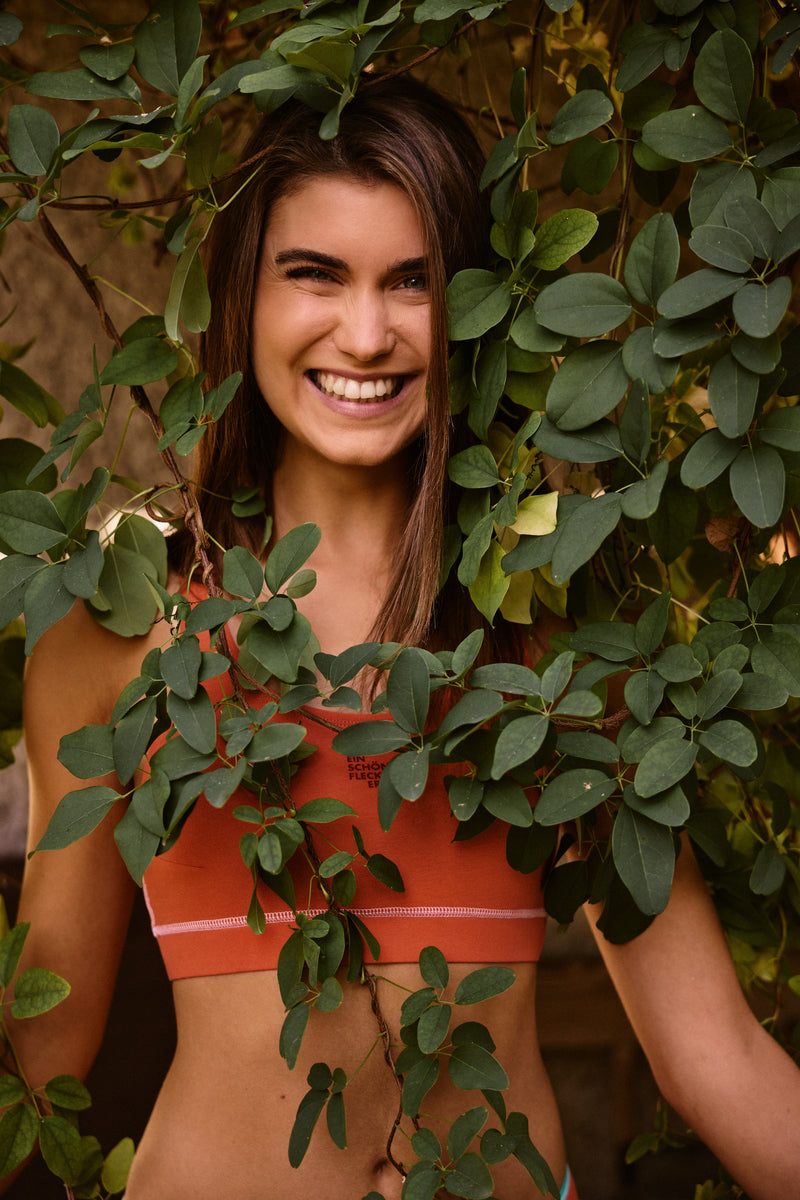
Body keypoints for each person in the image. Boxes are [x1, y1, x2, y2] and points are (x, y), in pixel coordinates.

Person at [9, 76, 800, 1200]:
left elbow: (712, 1059)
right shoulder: (120, 635)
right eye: (314, 276)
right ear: (241, 297)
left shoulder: (550, 648)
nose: (368, 334)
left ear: (476, 303)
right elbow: (41, 1053)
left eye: (414, 282)